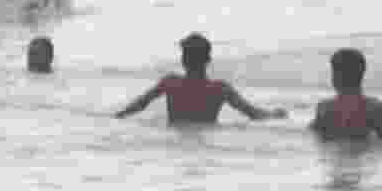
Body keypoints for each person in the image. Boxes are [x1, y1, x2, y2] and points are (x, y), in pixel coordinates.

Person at [114, 33, 287, 124]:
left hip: (174, 144)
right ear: (208, 60)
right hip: (208, 145)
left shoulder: (170, 83)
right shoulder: (220, 89)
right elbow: (253, 114)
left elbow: (138, 106)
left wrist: (115, 117)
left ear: (183, 60)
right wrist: (274, 114)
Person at [309, 48, 382, 141]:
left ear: (336, 78)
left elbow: (314, 134)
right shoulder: (374, 107)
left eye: (333, 72)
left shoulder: (325, 107)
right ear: (362, 74)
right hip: (363, 153)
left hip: (332, 153)